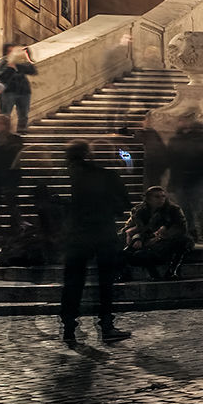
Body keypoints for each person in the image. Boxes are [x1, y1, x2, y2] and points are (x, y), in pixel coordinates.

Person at [61, 140, 132, 345]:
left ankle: (69, 327)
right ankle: (106, 326)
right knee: (105, 282)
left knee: (73, 282)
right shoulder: (108, 176)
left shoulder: (69, 175)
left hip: (76, 235)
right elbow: (124, 204)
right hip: (103, 233)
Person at [121, 186, 194, 278]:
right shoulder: (139, 211)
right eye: (157, 197)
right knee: (127, 251)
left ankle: (173, 270)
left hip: (166, 241)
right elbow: (132, 228)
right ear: (148, 199)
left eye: (163, 196)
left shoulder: (173, 210)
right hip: (147, 241)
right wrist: (137, 238)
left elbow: (181, 227)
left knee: (184, 241)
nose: (161, 199)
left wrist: (160, 237)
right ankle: (127, 273)